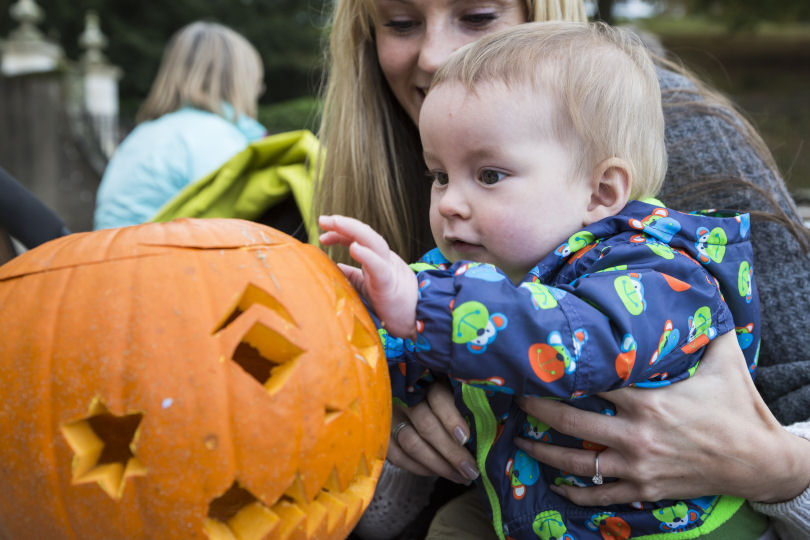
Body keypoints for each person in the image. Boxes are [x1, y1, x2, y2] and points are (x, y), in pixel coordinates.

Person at [314, 1, 810, 539]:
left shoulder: (655, 272)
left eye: (489, 174)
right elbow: (428, 354)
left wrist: (422, 307)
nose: (450, 203)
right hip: (537, 512)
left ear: (600, 191)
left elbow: (574, 342)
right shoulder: (482, 266)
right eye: (439, 176)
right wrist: (379, 337)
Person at [93, 21, 267, 230]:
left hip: (107, 255)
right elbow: (235, 229)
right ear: (240, 84)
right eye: (257, 83)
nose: (259, 91)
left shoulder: (141, 134)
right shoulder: (215, 137)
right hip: (162, 258)